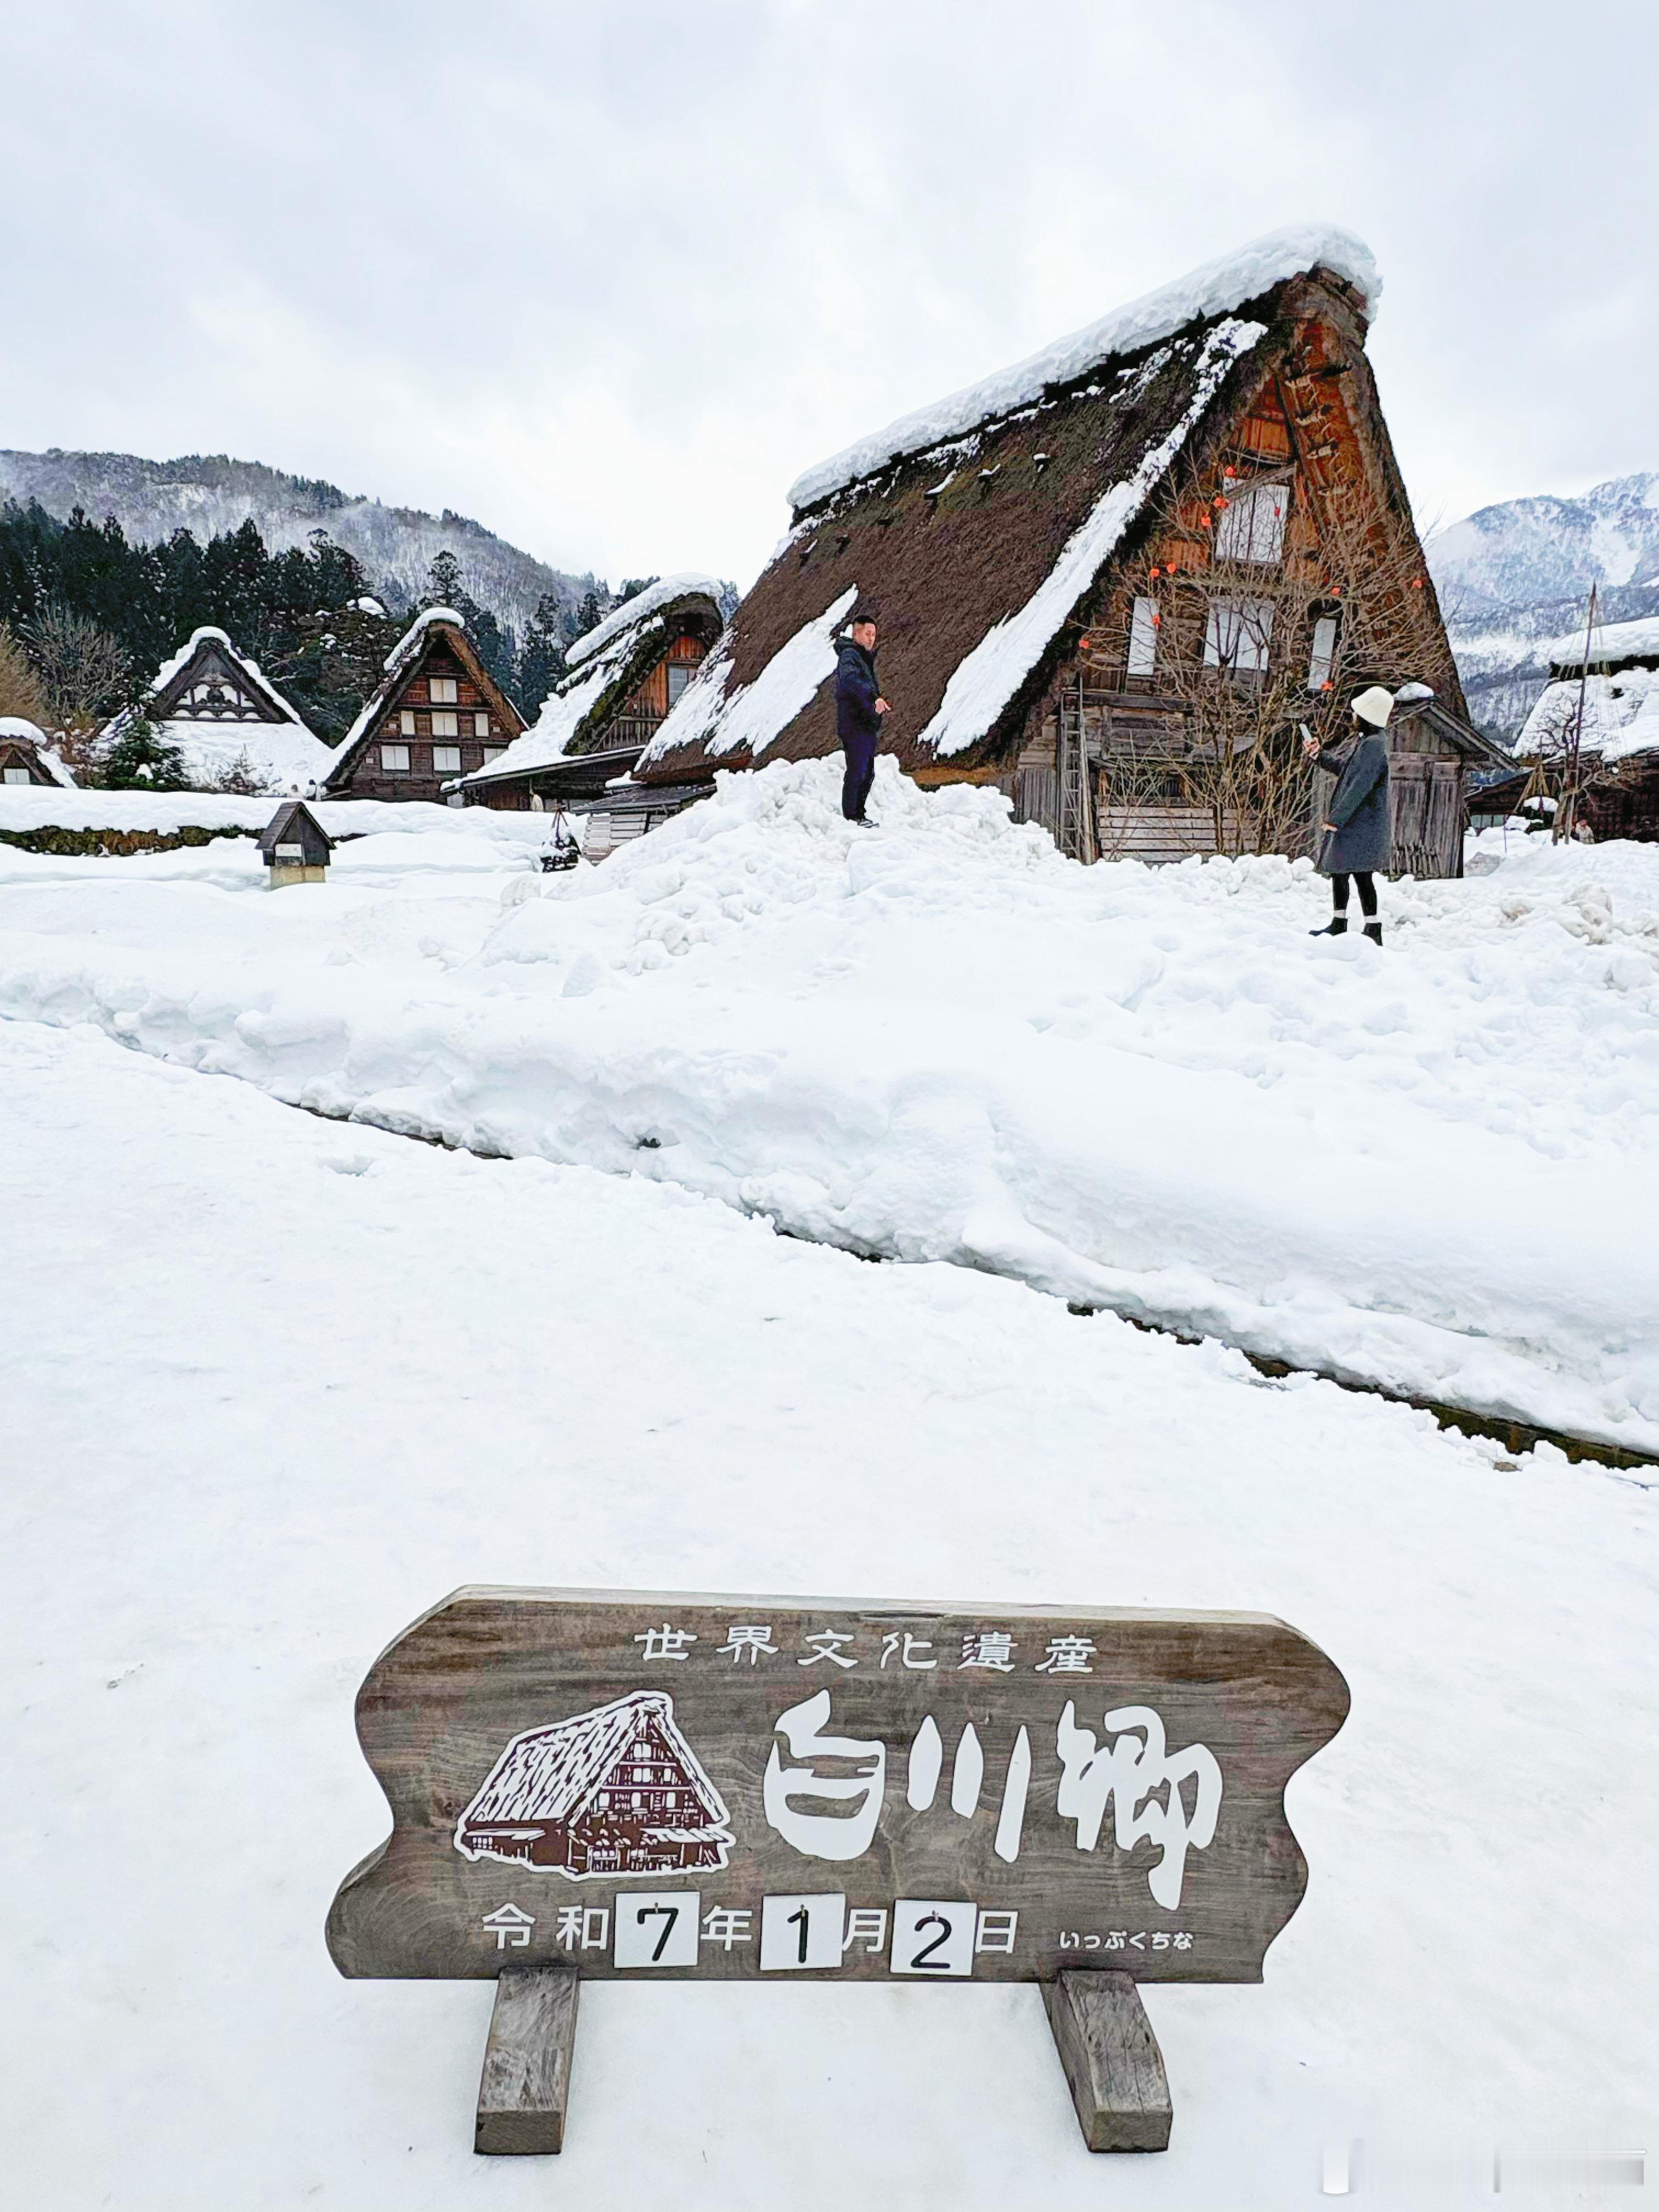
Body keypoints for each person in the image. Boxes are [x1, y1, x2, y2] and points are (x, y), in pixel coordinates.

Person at [1303, 686, 1394, 944]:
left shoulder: (1372, 746)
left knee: (1357, 874)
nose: (1353, 717)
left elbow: (1359, 785)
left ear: (1366, 715)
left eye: (1356, 713)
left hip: (1359, 824)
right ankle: (1352, 924)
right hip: (1359, 823)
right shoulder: (1370, 743)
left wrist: (1337, 819)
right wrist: (1319, 756)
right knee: (1347, 872)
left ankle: (1363, 927)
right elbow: (1347, 771)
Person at [834, 612, 890, 825]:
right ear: (856, 634)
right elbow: (849, 681)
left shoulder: (863, 658)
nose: (871, 638)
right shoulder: (849, 655)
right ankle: (852, 816)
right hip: (854, 724)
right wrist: (873, 697)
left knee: (867, 772)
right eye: (868, 634)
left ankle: (859, 814)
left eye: (874, 634)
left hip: (865, 724)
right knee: (858, 770)